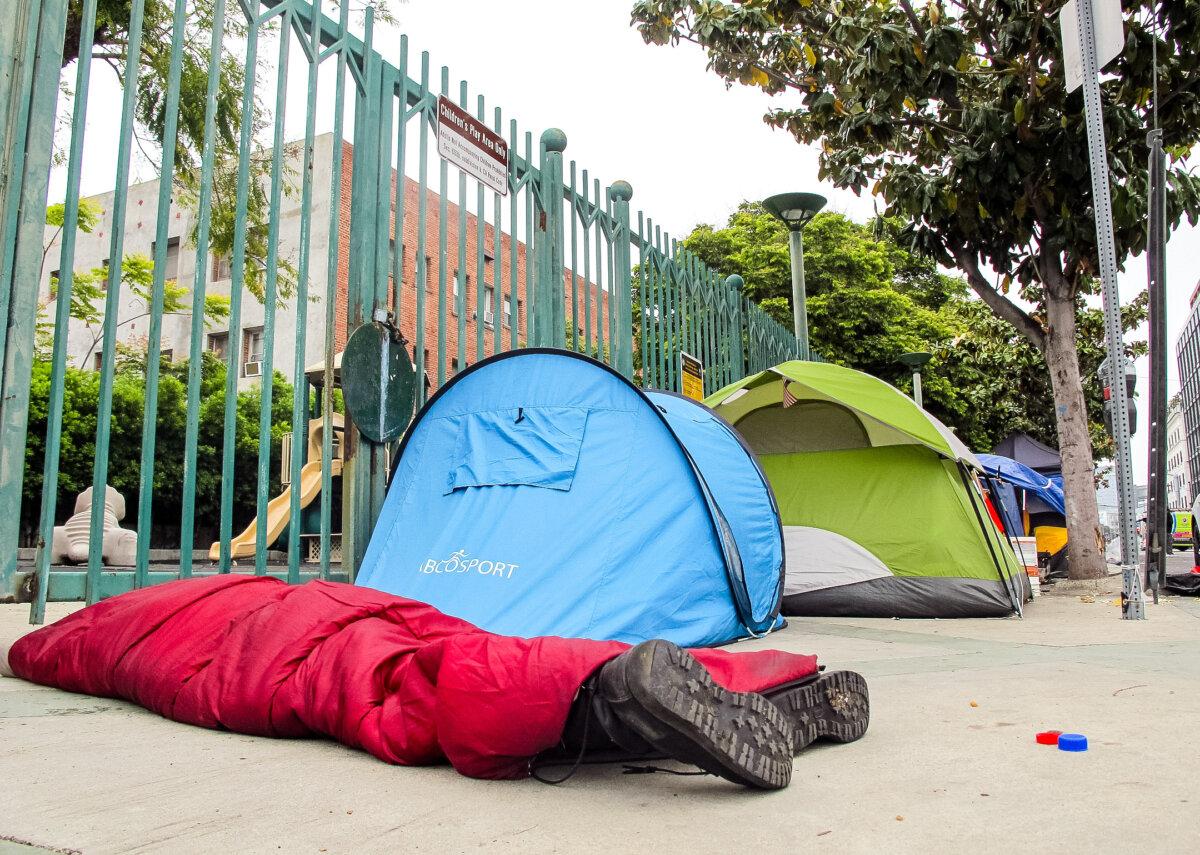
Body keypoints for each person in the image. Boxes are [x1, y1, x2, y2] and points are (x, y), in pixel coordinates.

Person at [3, 575, 869, 790]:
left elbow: (72, 650)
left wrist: (23, 651)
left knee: (420, 675)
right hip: (318, 619)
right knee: (438, 662)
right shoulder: (181, 607)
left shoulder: (120, 619)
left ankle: (620, 697)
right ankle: (702, 687)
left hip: (310, 623)